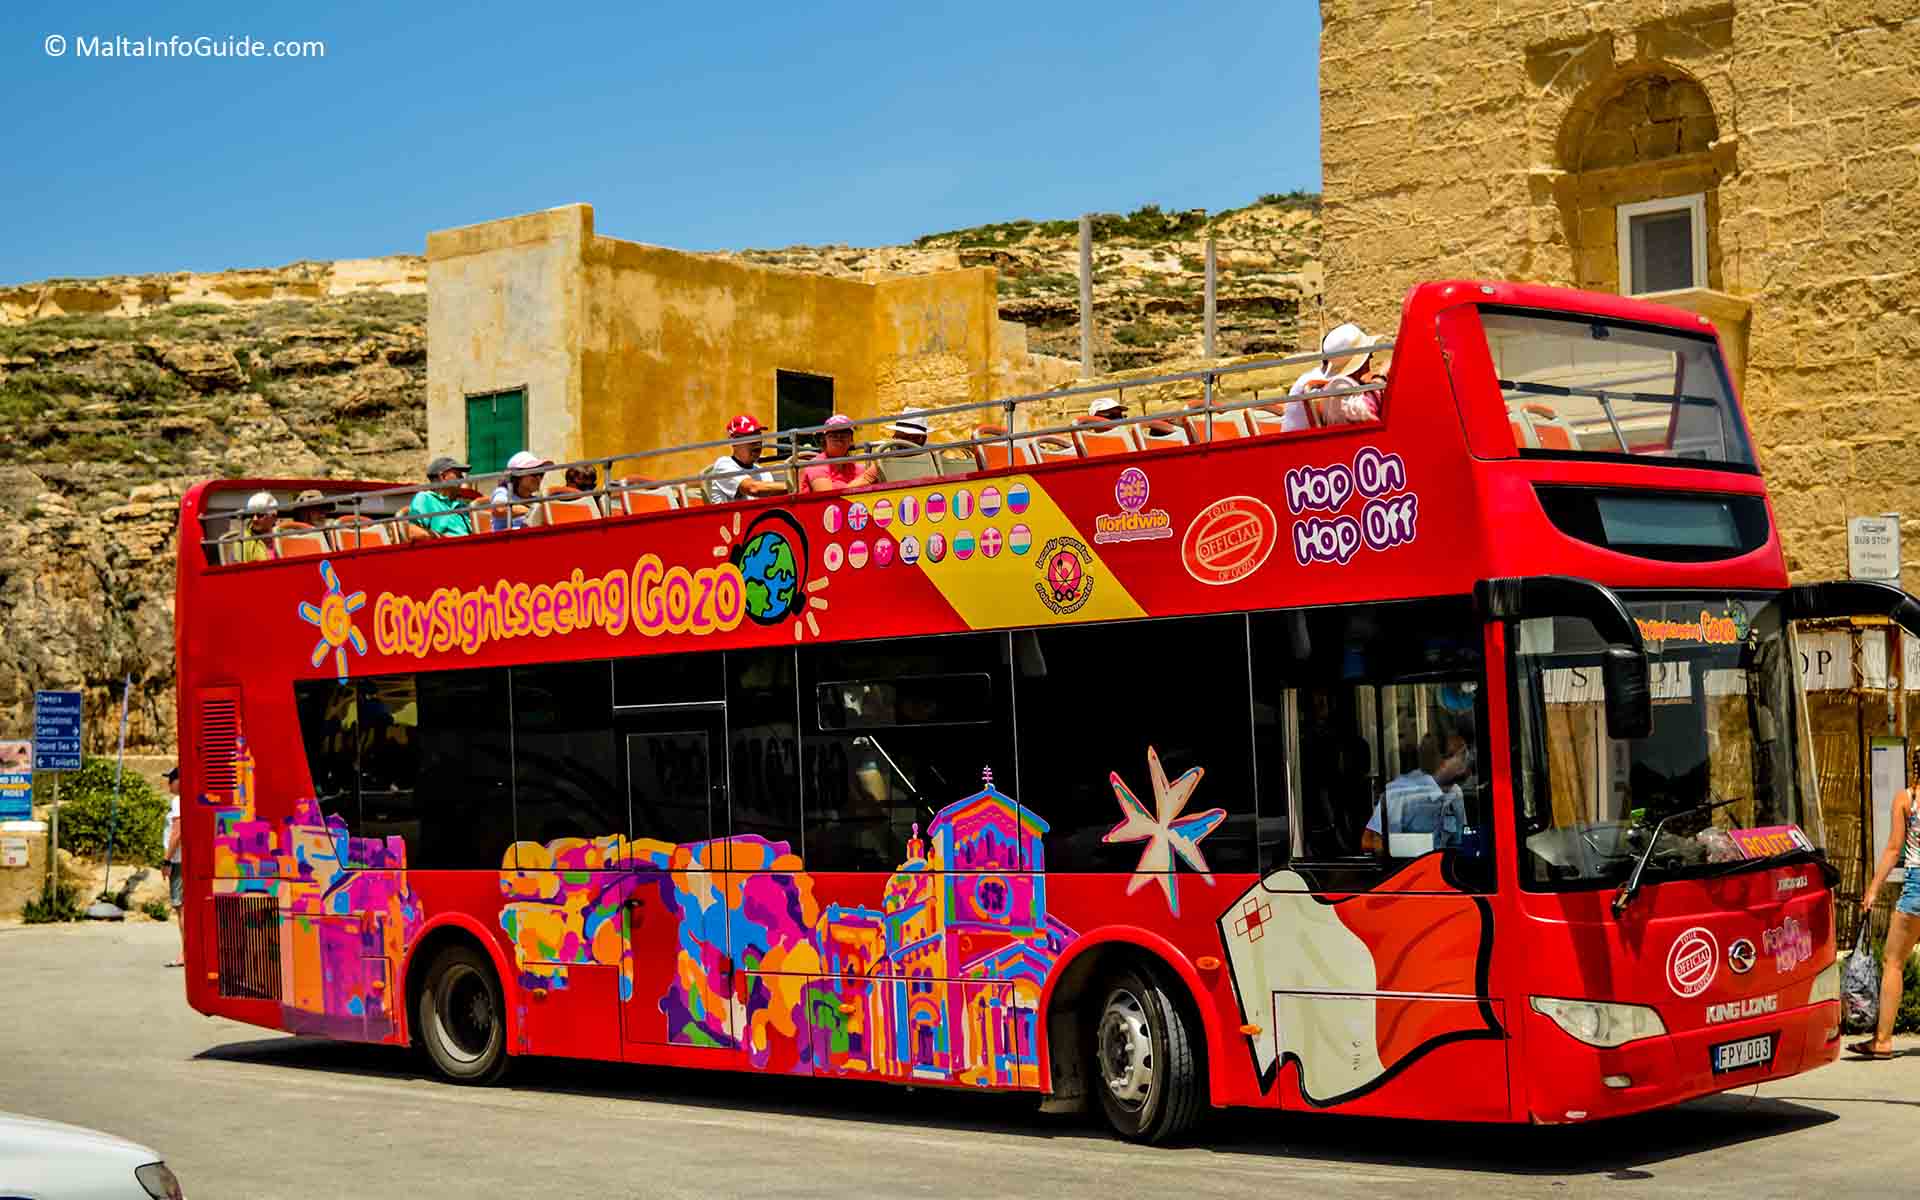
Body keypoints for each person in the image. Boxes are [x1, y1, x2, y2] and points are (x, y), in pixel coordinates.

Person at [1851, 760, 1920, 1060]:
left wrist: (1873, 888)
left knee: (1893, 961)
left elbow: (1894, 849)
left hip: (1917, 887)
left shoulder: (1906, 799)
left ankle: (1882, 1041)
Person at [1362, 734, 1467, 854]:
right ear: (1442, 762)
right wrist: (1405, 849)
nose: (1467, 761)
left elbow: (1460, 843)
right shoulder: (1400, 792)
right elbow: (1367, 842)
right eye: (1462, 755)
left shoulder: (1455, 793)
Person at [1289, 323, 1389, 428]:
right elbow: (1367, 411)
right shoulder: (1338, 385)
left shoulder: (1339, 383)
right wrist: (1381, 377)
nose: (1372, 357)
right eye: (1369, 353)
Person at [707, 414, 788, 503]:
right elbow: (753, 489)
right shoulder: (723, 465)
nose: (757, 442)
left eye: (759, 437)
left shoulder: (764, 473)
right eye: (750, 438)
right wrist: (794, 487)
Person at [800, 415, 880, 494]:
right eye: (833, 434)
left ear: (851, 439)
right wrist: (869, 477)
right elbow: (828, 496)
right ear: (825, 439)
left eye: (844, 434)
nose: (839, 438)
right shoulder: (816, 465)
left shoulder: (854, 466)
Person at [410, 455, 473, 537]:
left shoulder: (461, 505)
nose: (462, 478)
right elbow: (411, 530)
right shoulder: (425, 498)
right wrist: (440, 538)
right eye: (458, 475)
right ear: (443, 476)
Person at [490, 450, 550, 531]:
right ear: (517, 476)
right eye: (534, 473)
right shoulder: (503, 492)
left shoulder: (536, 500)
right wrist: (532, 511)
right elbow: (499, 509)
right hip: (505, 541)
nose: (539, 478)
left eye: (541, 473)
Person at [162, 766, 184, 968]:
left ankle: (185, 954)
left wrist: (167, 860)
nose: (168, 784)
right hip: (182, 860)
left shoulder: (178, 801)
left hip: (178, 861)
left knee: (181, 908)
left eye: (170, 780)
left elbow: (177, 831)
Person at [234, 492, 279, 562]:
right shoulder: (242, 542)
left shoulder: (282, 536)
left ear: (273, 517)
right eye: (252, 514)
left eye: (260, 515)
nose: (254, 519)